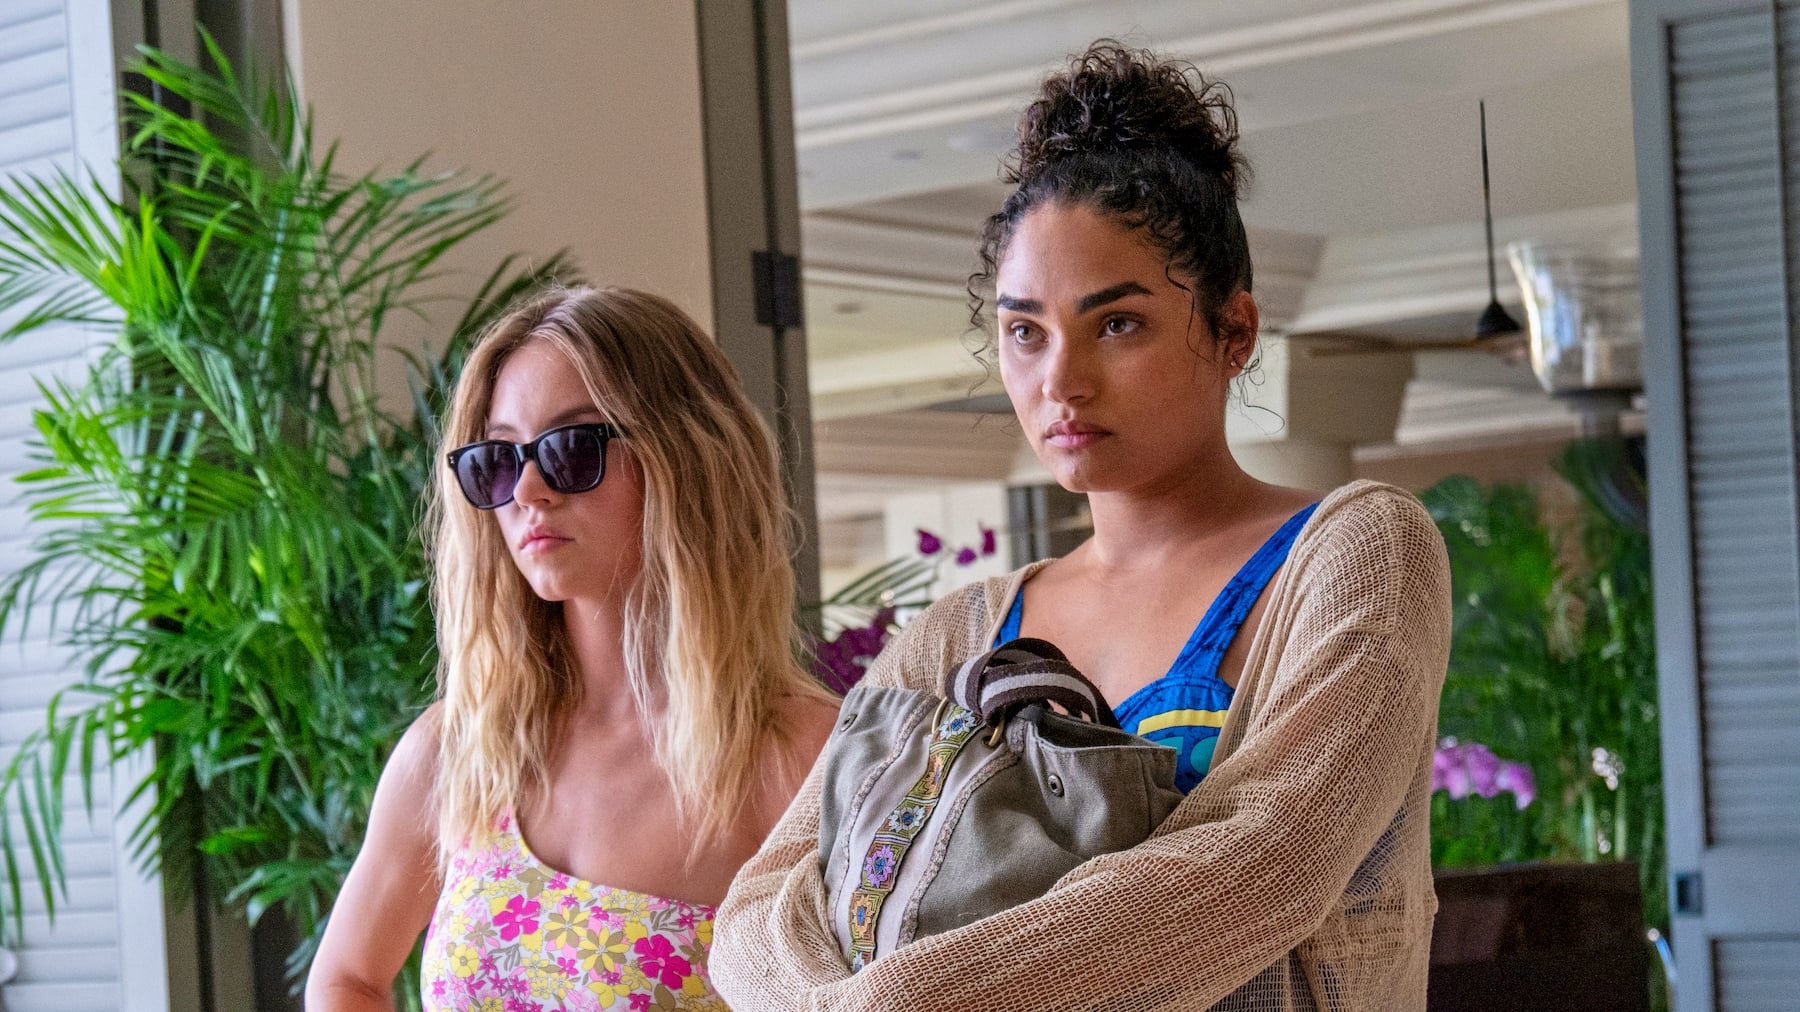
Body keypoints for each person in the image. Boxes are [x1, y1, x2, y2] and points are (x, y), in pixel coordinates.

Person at [710, 41, 1451, 1011]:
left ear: (1234, 330)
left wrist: (900, 1003)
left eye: (1117, 324)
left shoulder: (1356, 551)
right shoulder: (961, 632)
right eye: (1026, 331)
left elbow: (1262, 866)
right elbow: (760, 908)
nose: (1061, 380)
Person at [306, 287, 839, 1011]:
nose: (527, 489)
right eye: (498, 460)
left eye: (573, 448)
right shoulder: (458, 752)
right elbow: (347, 978)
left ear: (689, 457)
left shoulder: (798, 757)